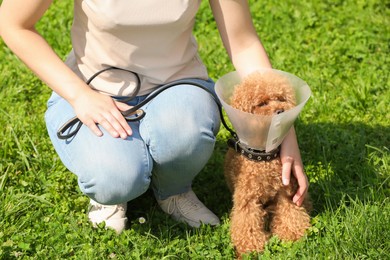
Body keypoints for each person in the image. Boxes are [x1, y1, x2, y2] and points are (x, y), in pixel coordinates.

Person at [0, 0, 309, 234]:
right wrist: (79, 94)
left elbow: (244, 44)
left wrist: (283, 134)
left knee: (186, 136)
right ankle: (113, 194)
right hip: (91, 89)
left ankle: (174, 190)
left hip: (178, 86)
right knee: (117, 177)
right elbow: (12, 23)